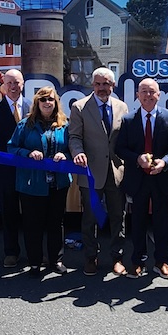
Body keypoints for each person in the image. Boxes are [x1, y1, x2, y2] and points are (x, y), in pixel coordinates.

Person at [115, 78, 168, 279]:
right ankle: (138, 261)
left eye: (152, 92)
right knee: (138, 222)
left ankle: (162, 262)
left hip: (161, 178)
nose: (148, 95)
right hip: (138, 179)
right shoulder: (128, 119)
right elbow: (120, 148)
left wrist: (165, 163)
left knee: (162, 222)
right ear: (137, 95)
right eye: (144, 91)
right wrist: (137, 159)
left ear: (159, 95)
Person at [68, 67, 129, 277]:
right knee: (90, 218)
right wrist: (77, 153)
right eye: (98, 84)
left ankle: (117, 257)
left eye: (106, 84)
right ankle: (90, 257)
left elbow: (124, 140)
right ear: (92, 85)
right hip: (90, 171)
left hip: (116, 171)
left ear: (113, 85)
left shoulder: (122, 107)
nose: (102, 88)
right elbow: (74, 137)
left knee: (117, 217)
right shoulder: (79, 107)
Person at [7, 86, 72, 277]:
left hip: (58, 184)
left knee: (55, 223)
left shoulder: (64, 125)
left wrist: (65, 154)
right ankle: (34, 262)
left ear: (56, 102)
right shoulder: (25, 125)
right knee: (32, 224)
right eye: (43, 100)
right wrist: (28, 153)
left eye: (51, 99)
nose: (47, 103)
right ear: (37, 103)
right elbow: (11, 148)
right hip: (31, 184)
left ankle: (56, 260)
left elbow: (73, 148)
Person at [0, 69, 31, 268]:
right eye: (9, 82)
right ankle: (11, 252)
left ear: (23, 84)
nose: (13, 87)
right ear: (3, 84)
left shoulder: (33, 107)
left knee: (31, 214)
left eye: (17, 83)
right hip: (4, 173)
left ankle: (34, 253)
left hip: (30, 171)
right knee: (8, 214)